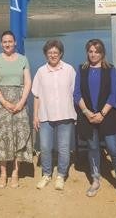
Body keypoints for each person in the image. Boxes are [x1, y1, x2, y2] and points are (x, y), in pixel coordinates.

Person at [73, 39, 116, 200]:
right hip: (87, 116)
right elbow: (77, 94)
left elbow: (114, 94)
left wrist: (102, 114)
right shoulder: (81, 69)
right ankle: (95, 180)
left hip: (108, 116)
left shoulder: (110, 69)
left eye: (97, 51)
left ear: (102, 53)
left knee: (114, 149)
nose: (93, 54)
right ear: (87, 53)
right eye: (90, 51)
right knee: (93, 149)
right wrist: (87, 112)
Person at [0, 30, 33, 188]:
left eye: (10, 41)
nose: (7, 44)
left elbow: (28, 83)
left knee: (18, 136)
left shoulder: (23, 59)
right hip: (1, 103)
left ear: (15, 43)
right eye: (4, 42)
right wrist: (5, 102)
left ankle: (15, 173)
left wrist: (21, 103)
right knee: (2, 138)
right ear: (1, 44)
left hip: (20, 102)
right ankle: (3, 173)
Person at [32, 39, 76, 191]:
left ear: (61, 53)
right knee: (45, 147)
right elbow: (36, 95)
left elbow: (75, 93)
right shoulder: (41, 72)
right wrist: (35, 116)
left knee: (64, 148)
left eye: (56, 52)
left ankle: (61, 175)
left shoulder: (69, 70)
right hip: (45, 116)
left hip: (65, 115)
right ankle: (46, 174)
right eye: (50, 52)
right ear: (46, 54)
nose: (53, 55)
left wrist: (76, 114)